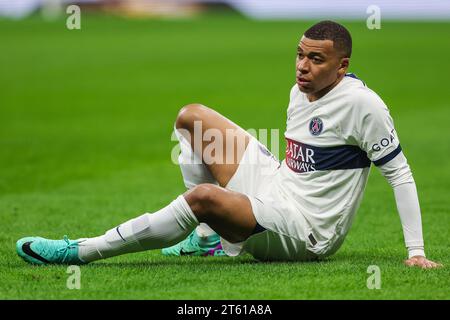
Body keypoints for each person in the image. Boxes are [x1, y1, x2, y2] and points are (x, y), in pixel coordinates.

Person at [16, 20, 442, 269]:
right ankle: (205, 239)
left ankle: (82, 251)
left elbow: (400, 175)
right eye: (299, 55)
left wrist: (416, 252)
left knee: (204, 197)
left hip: (306, 231)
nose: (302, 66)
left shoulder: (364, 106)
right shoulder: (302, 89)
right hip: (278, 187)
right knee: (192, 119)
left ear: (342, 65)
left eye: (316, 59)